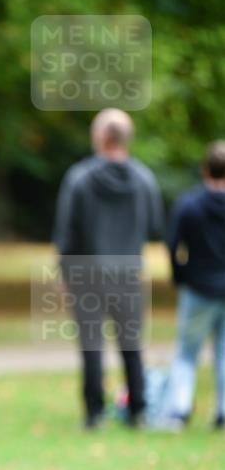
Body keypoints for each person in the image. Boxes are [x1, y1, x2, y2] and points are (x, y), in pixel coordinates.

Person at [53, 109, 164, 428]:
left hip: (86, 274)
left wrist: (64, 274)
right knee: (131, 344)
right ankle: (138, 411)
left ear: (101, 138)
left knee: (91, 346)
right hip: (128, 273)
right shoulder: (144, 179)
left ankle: (94, 413)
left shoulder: (79, 178)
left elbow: (66, 232)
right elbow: (155, 226)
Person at [161, 140, 225, 429]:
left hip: (198, 288)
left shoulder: (189, 205)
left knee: (187, 351)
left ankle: (180, 409)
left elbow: (173, 245)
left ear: (204, 170)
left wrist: (180, 276)